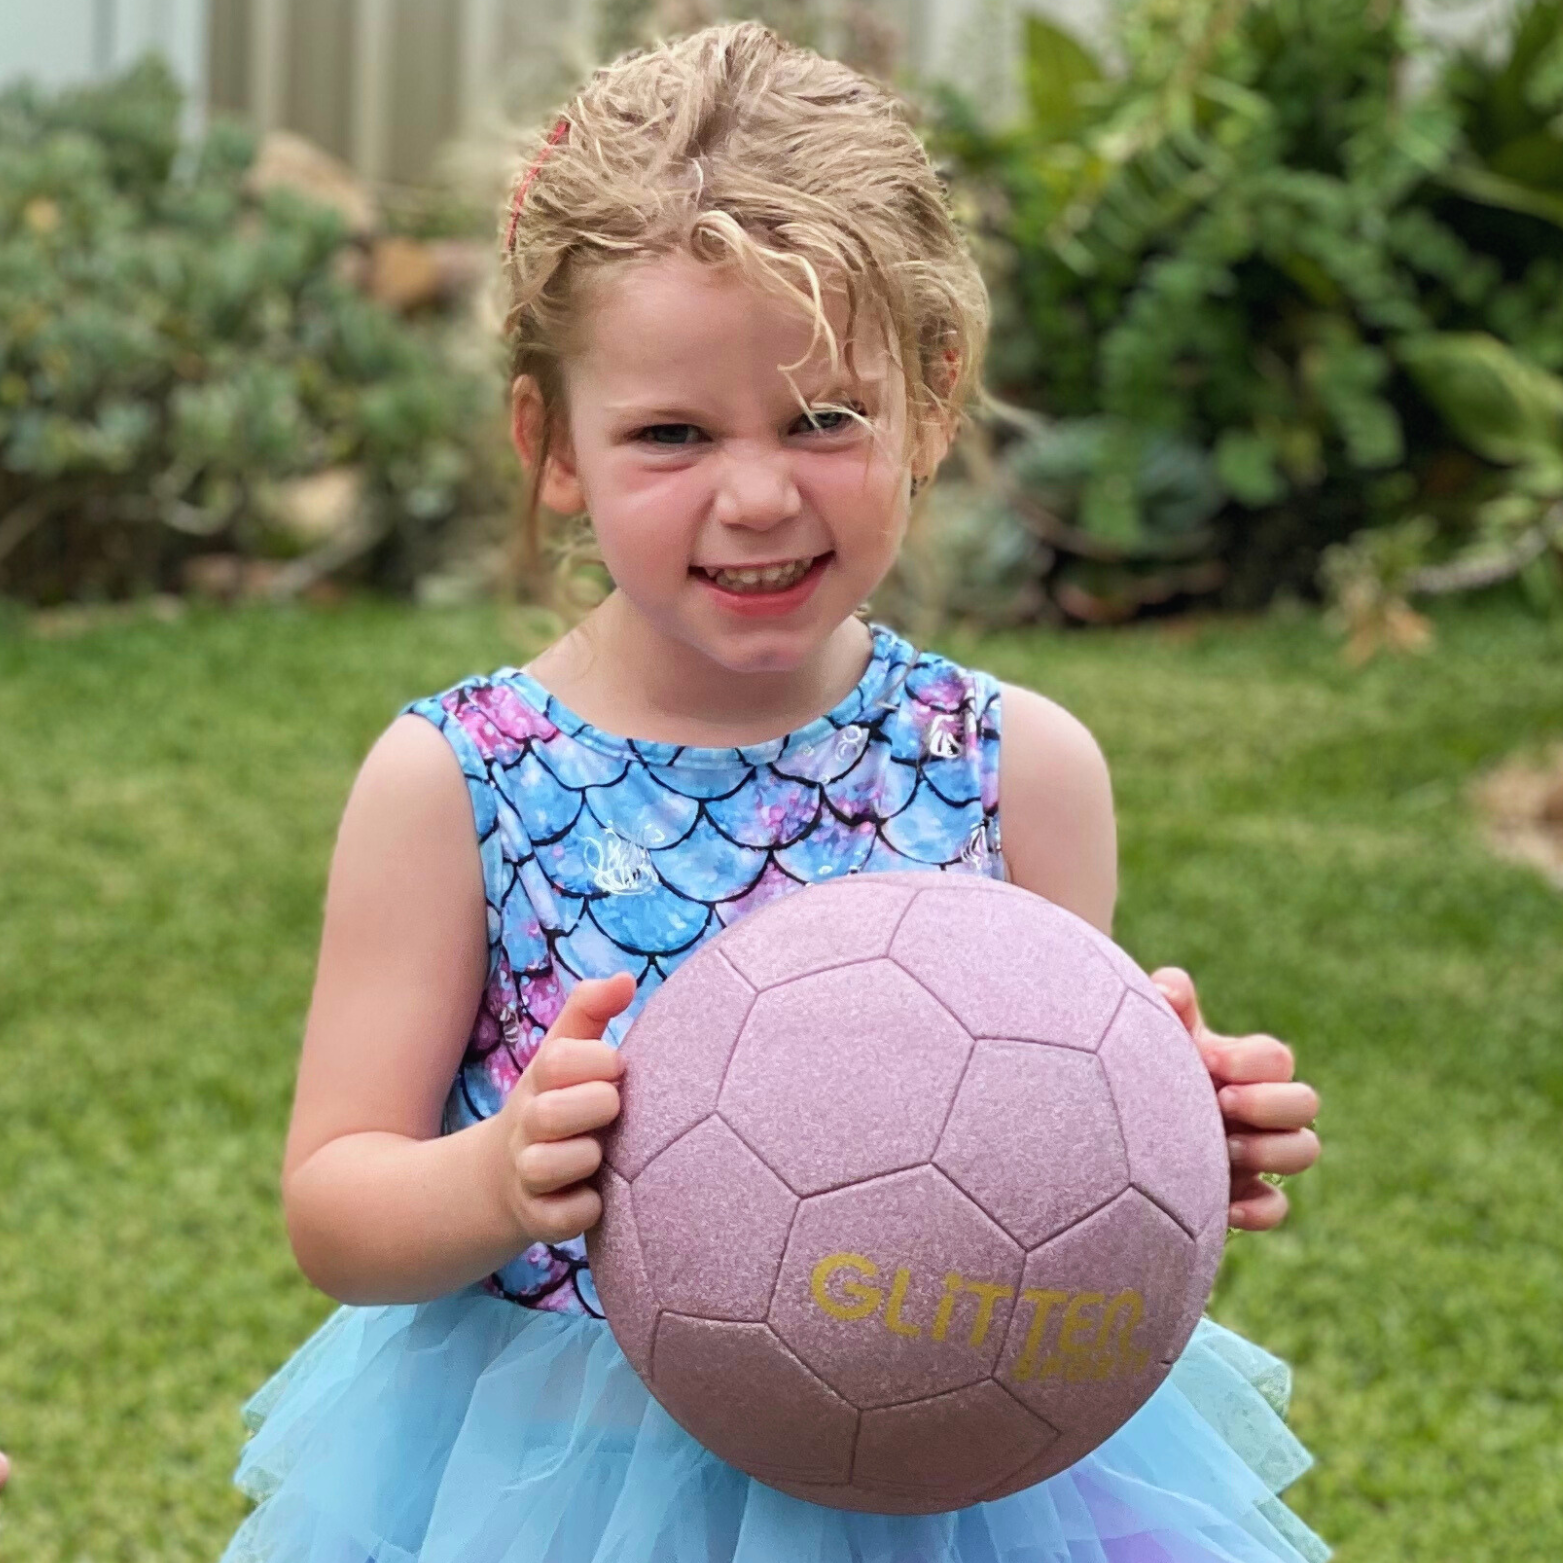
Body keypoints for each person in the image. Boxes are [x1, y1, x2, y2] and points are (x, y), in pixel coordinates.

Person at [222, 22, 1325, 1562]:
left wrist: (1178, 1136)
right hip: (563, 1479)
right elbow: (335, 1204)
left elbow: (1037, 1154)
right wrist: (498, 1173)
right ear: (551, 448)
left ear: (931, 400)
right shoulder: (463, 781)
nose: (755, 492)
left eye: (823, 419)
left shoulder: (1017, 766)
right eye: (670, 433)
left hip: (947, 1468)